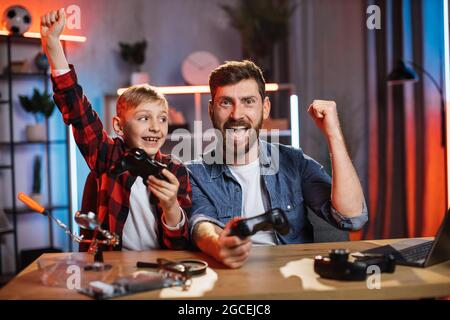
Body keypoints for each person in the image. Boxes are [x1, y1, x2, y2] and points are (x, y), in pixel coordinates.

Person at [188, 60, 368, 268]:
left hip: (292, 277)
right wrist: (218, 245)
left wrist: (333, 133)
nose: (236, 115)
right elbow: (201, 225)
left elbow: (352, 218)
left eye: (248, 101)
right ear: (211, 110)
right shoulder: (195, 173)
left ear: (265, 108)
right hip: (229, 277)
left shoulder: (294, 162)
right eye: (225, 102)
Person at [40, 9, 191, 252]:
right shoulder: (108, 157)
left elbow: (181, 246)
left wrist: (171, 206)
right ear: (119, 126)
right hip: (113, 269)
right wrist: (54, 47)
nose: (155, 126)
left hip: (161, 270)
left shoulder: (175, 171)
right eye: (144, 118)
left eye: (162, 119)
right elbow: (78, 112)